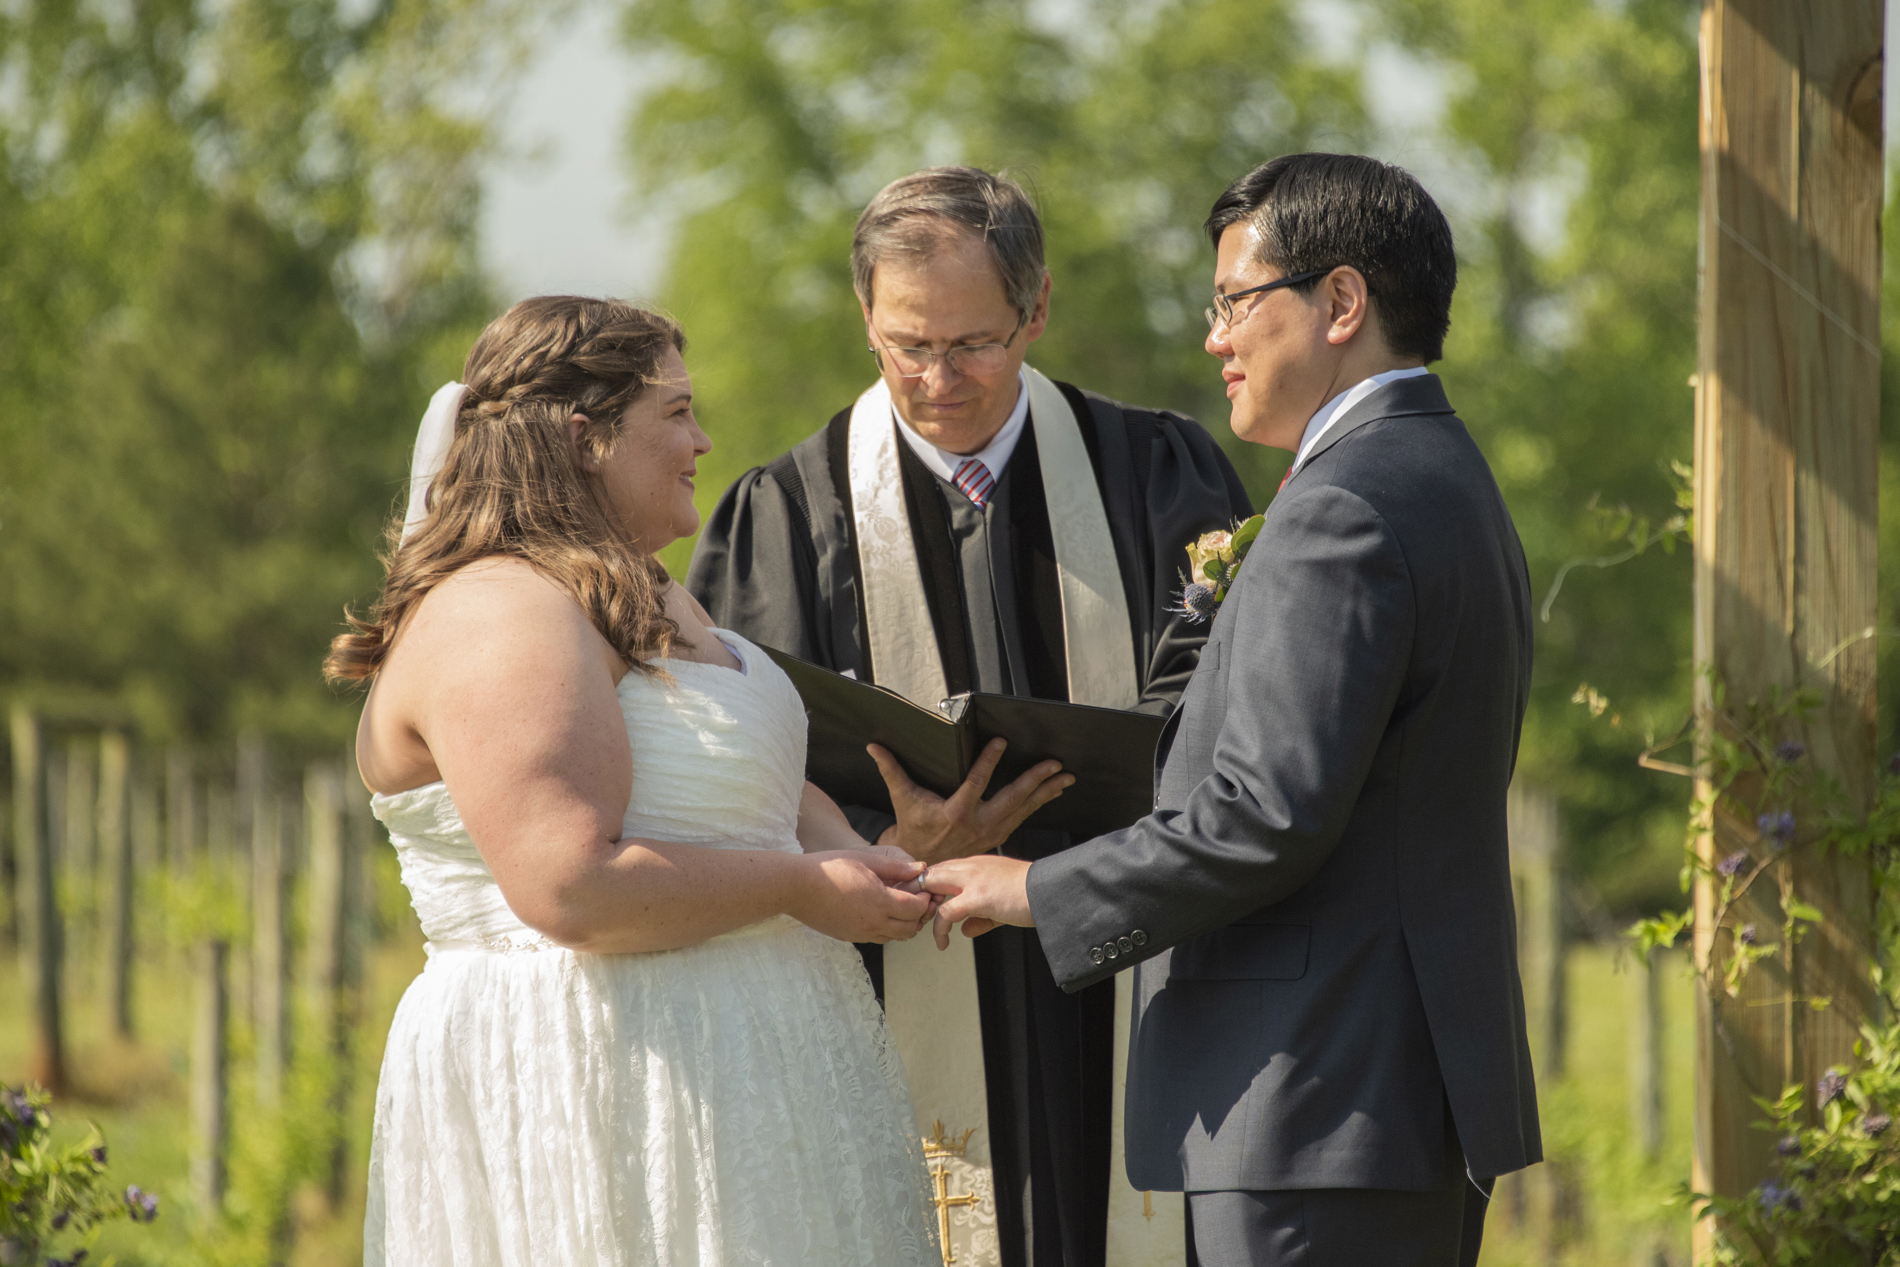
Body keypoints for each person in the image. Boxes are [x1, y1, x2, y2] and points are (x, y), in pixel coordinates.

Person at [923, 153, 1543, 1267]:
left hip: (1312, 1098)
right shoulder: (1440, 472)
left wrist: (1032, 889)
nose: (1213, 339)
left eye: (1232, 302)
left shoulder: (1340, 509)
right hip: (1385, 1099)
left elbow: (1262, 813)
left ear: (1340, 301)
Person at [687, 166, 1253, 1267]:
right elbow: (732, 779)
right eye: (907, 344)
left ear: (1036, 310)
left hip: (1123, 970)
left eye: (975, 343)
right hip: (897, 969)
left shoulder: (1154, 474)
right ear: (864, 316)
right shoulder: (788, 515)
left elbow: (1229, 714)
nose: (938, 378)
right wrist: (885, 849)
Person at [328, 296, 940, 1266]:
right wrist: (800, 887)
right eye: (676, 413)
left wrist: (889, 860)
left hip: (756, 1081)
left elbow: (757, 797)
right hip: (601, 1080)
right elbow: (571, 883)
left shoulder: (646, 590)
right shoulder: (503, 609)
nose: (703, 439)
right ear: (586, 438)